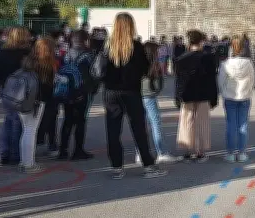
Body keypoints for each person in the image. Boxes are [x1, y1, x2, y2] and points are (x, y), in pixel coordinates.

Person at [97, 13, 166, 179]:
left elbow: (101, 70)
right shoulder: (136, 47)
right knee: (139, 129)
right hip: (132, 91)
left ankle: (117, 167)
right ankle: (148, 165)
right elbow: (144, 70)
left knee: (113, 130)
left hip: (111, 91)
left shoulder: (108, 47)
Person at [174, 30, 218, 162]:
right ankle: (200, 152)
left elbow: (179, 81)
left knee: (186, 122)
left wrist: (177, 97)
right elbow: (212, 79)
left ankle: (187, 150)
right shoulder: (208, 58)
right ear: (201, 41)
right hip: (203, 94)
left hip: (187, 94)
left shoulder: (181, 59)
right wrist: (214, 97)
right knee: (202, 122)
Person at [135, 42, 180, 165]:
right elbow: (157, 86)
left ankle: (139, 153)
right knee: (155, 124)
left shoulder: (137, 64)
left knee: (140, 125)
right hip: (149, 96)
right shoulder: (153, 65)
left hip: (139, 96)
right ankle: (161, 152)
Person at [18, 37, 58, 173]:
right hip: (37, 101)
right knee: (30, 131)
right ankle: (29, 164)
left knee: (25, 130)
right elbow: (48, 87)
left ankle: (24, 161)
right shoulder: (46, 64)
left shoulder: (27, 61)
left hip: (22, 99)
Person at [57, 30, 95, 161]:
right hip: (82, 92)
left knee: (67, 120)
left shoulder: (66, 55)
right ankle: (78, 150)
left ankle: (63, 150)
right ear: (85, 40)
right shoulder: (88, 56)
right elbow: (94, 74)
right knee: (80, 121)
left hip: (66, 92)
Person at [0, 27, 31, 165]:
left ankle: (3, 152)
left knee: (8, 120)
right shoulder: (26, 53)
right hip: (21, 89)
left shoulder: (2, 52)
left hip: (6, 88)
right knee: (19, 122)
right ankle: (15, 153)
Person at [219, 37, 255, 162]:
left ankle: (230, 153)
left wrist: (224, 91)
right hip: (244, 96)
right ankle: (242, 152)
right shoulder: (248, 63)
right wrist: (248, 89)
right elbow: (252, 80)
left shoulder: (226, 64)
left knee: (231, 125)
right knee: (243, 124)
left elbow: (221, 81)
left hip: (230, 96)